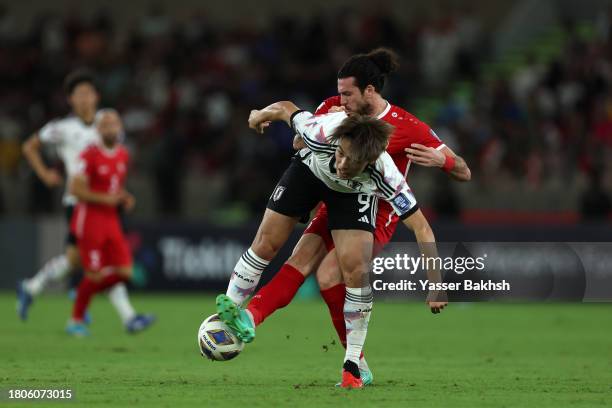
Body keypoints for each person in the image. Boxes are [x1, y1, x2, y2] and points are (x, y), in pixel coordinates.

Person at [243, 48, 470, 385]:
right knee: (300, 259)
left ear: (370, 91)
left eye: (348, 93)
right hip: (338, 198)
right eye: (340, 93)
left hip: (378, 213)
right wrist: (329, 124)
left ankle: (354, 361)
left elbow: (464, 171)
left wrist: (444, 162)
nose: (341, 99)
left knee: (329, 275)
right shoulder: (337, 107)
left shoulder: (407, 126)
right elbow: (299, 142)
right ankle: (250, 319)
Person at [215, 100, 446, 388]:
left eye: (353, 162)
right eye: (342, 154)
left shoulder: (386, 174)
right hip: (310, 172)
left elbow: (422, 228)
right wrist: (258, 114)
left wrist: (436, 283)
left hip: (352, 196)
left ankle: (353, 366)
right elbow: (287, 108)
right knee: (267, 242)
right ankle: (232, 316)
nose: (343, 164)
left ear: (370, 162)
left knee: (354, 271)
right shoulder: (322, 132)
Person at [17, 70, 137, 326]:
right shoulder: (62, 128)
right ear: (70, 99)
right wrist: (44, 173)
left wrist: (120, 193)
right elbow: (29, 146)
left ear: (96, 97)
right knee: (97, 264)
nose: (84, 99)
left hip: (106, 204)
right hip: (80, 203)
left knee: (75, 261)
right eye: (78, 94)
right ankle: (127, 318)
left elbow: (115, 160)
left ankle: (33, 287)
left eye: (88, 93)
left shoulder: (107, 124)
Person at [66, 109, 155, 336]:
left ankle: (84, 291)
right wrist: (107, 199)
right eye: (105, 125)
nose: (110, 128)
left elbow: (114, 187)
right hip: (90, 221)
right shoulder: (88, 156)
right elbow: (75, 189)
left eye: (114, 124)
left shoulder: (123, 154)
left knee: (125, 271)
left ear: (120, 127)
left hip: (111, 221)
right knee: (95, 275)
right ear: (97, 129)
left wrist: (124, 196)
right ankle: (76, 320)